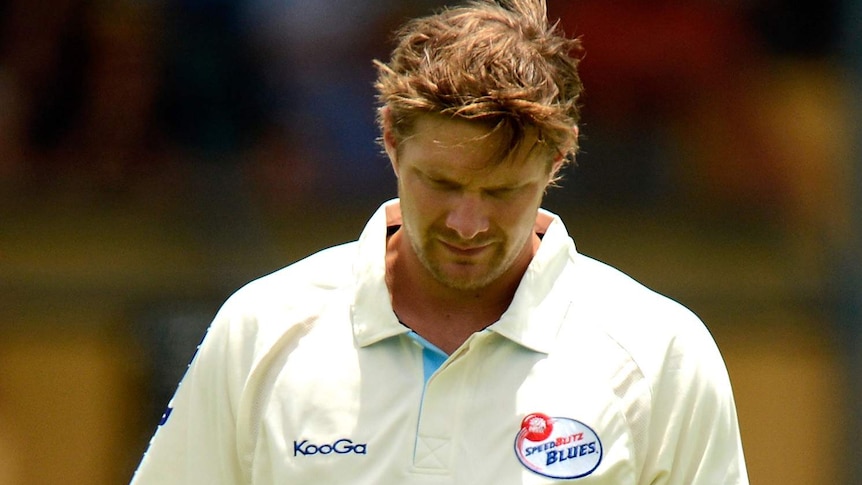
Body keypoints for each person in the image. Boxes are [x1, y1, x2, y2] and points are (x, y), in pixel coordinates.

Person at [131, 0, 749, 483]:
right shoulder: (261, 330)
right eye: (442, 183)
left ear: (556, 162)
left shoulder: (662, 354)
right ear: (392, 142)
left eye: (502, 190)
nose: (467, 222)